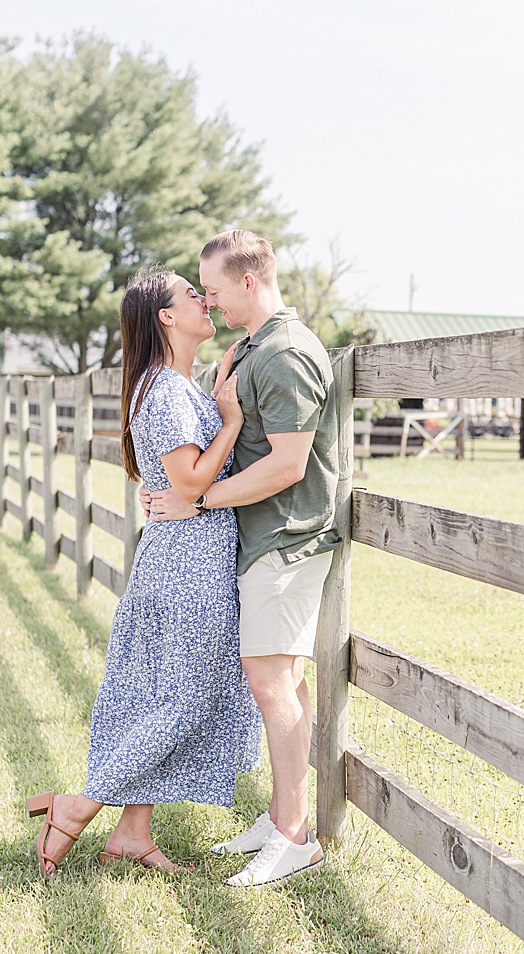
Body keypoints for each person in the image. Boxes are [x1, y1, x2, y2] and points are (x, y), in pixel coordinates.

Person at [27, 265, 261, 876]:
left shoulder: (169, 386)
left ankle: (133, 833)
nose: (205, 300)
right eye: (192, 295)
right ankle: (78, 805)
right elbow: (187, 481)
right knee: (188, 694)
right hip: (190, 558)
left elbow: (171, 475)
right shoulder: (166, 391)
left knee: (162, 691)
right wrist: (231, 420)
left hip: (180, 552)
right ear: (166, 316)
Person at [145, 229, 342, 888]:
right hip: (259, 538)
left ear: (249, 283)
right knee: (280, 680)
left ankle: (294, 838)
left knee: (270, 681)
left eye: (218, 290)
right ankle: (282, 815)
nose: (212, 301)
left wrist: (196, 504)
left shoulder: (286, 353)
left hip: (288, 536)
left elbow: (288, 465)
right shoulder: (251, 348)